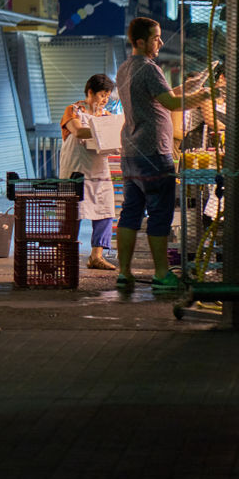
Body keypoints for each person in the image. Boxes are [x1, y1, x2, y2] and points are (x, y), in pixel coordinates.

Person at [115, 17, 212, 292]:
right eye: (156, 37)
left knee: (130, 213)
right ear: (140, 41)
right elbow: (170, 103)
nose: (161, 42)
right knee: (159, 214)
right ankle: (161, 274)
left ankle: (124, 272)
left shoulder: (125, 68)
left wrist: (192, 86)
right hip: (154, 152)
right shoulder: (149, 67)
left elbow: (162, 94)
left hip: (131, 153)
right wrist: (204, 96)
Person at [59, 73, 117, 271]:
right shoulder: (73, 110)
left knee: (105, 210)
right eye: (102, 95)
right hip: (75, 170)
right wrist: (106, 129)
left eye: (108, 96)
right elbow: (78, 131)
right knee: (73, 212)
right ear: (90, 92)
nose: (105, 100)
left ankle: (96, 256)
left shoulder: (107, 117)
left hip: (99, 170)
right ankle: (65, 254)